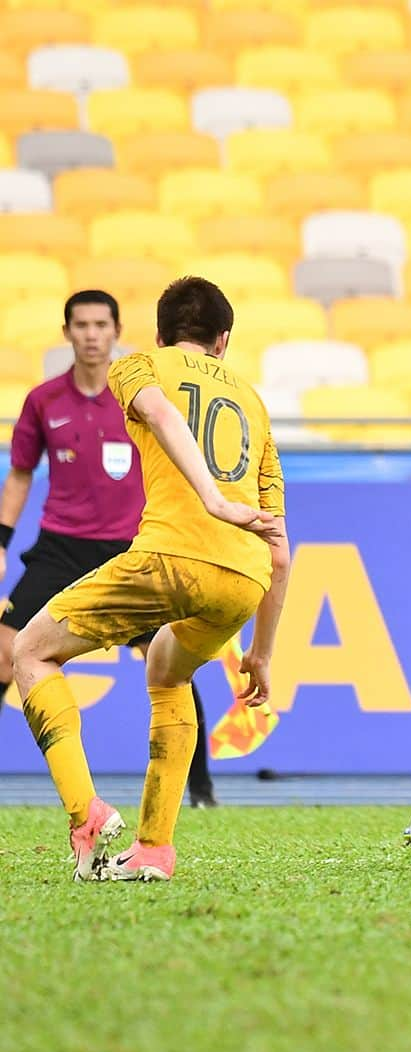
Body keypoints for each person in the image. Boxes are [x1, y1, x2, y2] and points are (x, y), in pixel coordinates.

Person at [12, 276, 290, 883]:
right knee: (168, 672)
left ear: (161, 334)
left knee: (29, 651)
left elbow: (160, 411)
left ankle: (86, 813)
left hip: (170, 557)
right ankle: (154, 851)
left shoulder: (139, 366)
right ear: (223, 341)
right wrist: (262, 654)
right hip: (242, 580)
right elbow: (281, 551)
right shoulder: (254, 402)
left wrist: (212, 501)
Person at [0, 290, 218, 808]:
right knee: (6, 652)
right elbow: (21, 474)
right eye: (82, 325)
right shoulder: (43, 400)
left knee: (172, 663)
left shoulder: (141, 395)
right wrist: (2, 542)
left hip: (129, 549)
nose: (92, 335)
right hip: (59, 549)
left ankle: (203, 790)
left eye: (101, 325)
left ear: (117, 331)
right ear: (68, 332)